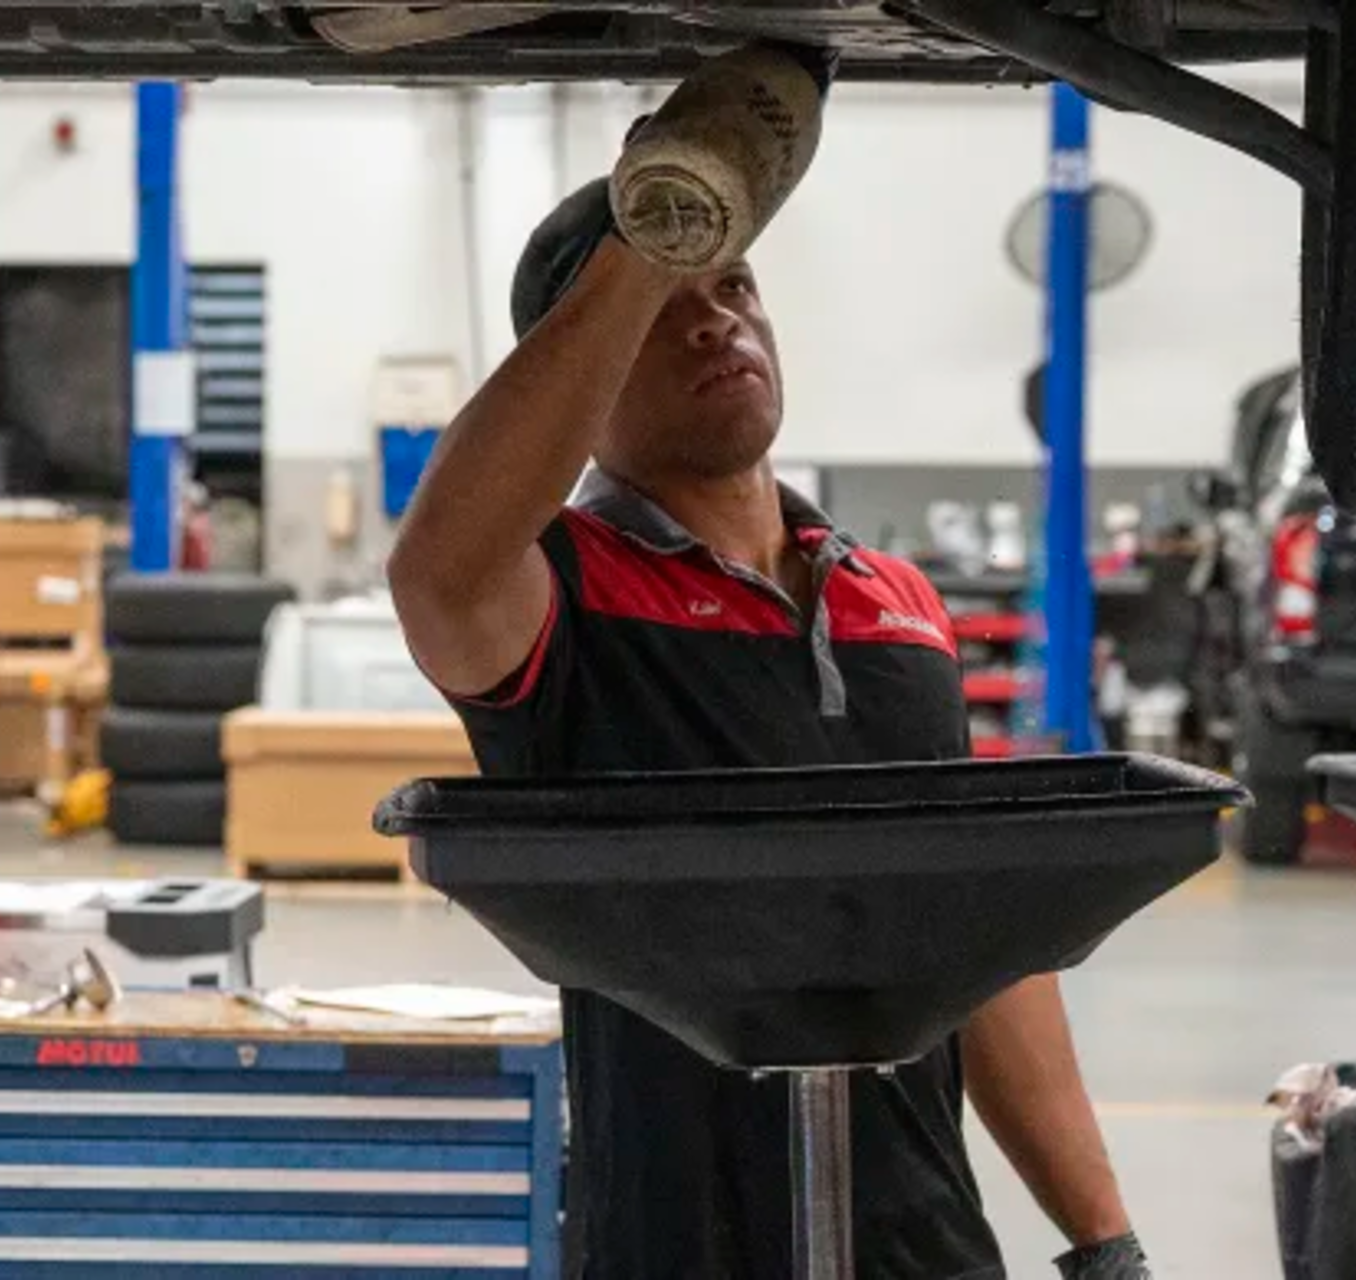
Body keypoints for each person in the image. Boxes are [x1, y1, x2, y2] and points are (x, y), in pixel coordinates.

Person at [385, 51, 1148, 1280]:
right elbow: (438, 574)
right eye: (661, 303)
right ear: (577, 374)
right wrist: (661, 224)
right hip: (680, 1246)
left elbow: (982, 944)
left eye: (732, 280)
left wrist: (1102, 1236)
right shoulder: (563, 595)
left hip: (925, 1248)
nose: (715, 316)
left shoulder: (895, 604)